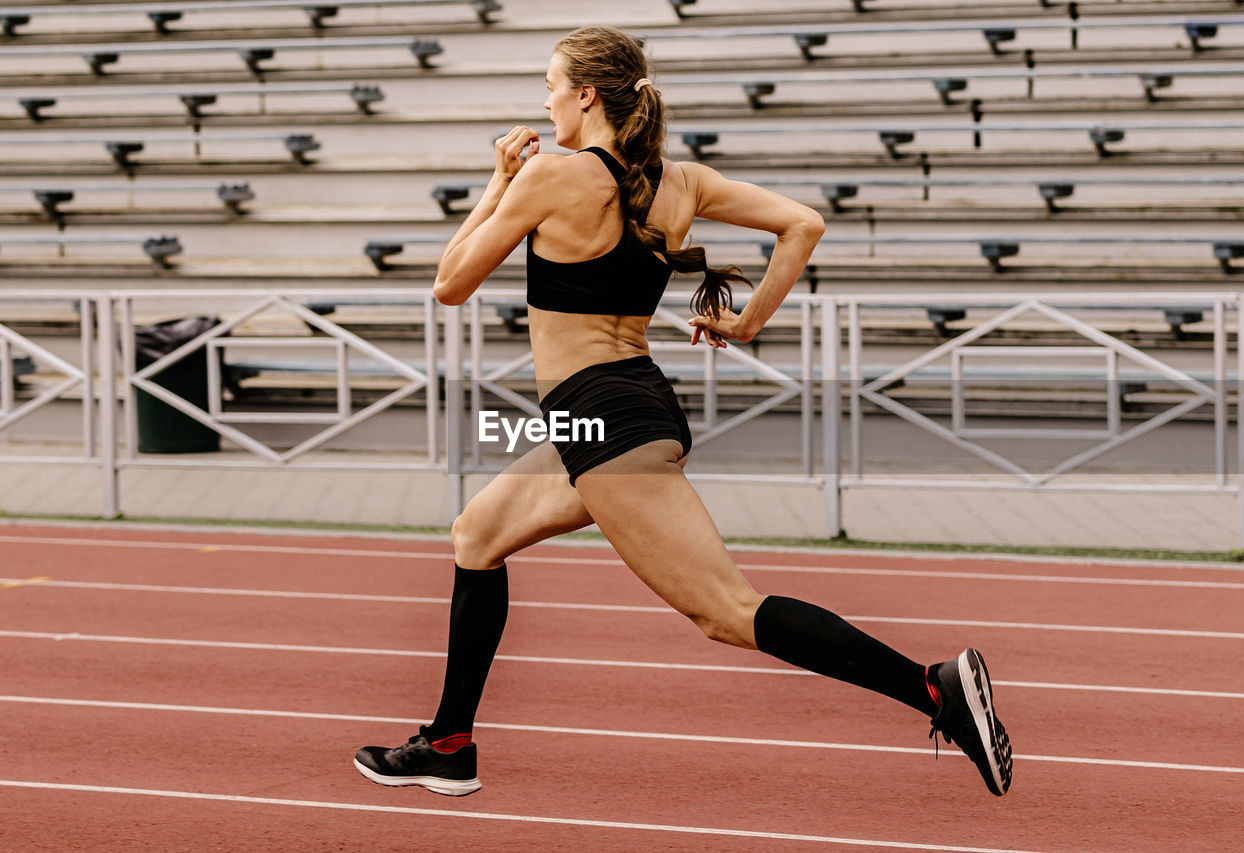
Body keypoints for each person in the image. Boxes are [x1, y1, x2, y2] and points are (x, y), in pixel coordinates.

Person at [354, 25, 1012, 798]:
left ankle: (934, 689)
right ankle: (451, 741)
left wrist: (499, 180)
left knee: (727, 610)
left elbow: (450, 283)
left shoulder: (551, 178)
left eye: (552, 84)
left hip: (608, 425)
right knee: (477, 533)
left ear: (587, 95)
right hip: (611, 414)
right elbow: (804, 223)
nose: (546, 100)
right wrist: (748, 321)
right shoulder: (681, 182)